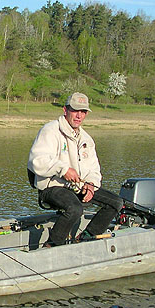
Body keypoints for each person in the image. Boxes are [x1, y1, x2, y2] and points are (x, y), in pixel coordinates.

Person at [27, 92, 123, 247]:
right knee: (75, 208)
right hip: (51, 187)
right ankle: (51, 245)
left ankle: (86, 238)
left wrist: (91, 184)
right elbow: (37, 161)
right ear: (65, 110)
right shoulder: (50, 130)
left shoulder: (87, 139)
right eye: (75, 110)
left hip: (77, 188)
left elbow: (94, 169)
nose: (79, 115)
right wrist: (63, 170)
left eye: (83, 112)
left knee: (116, 203)